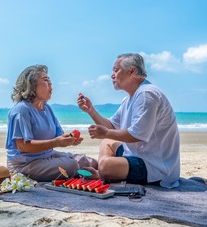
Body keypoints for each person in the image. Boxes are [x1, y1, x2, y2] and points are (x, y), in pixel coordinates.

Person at [77, 53, 180, 188]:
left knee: (106, 165)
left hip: (156, 167)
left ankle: (103, 172)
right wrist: (91, 111)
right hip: (136, 156)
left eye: (116, 70)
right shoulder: (130, 98)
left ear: (132, 71)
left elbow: (136, 135)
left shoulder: (146, 94)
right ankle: (104, 171)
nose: (112, 75)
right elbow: (112, 126)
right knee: (107, 143)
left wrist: (106, 133)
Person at [5, 64, 98, 182]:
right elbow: (23, 146)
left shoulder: (46, 107)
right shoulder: (21, 110)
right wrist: (56, 142)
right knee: (72, 165)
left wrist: (70, 139)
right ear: (31, 86)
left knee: (85, 160)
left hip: (47, 156)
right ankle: (88, 174)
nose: (51, 85)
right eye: (46, 81)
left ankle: (100, 172)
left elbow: (59, 137)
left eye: (50, 82)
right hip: (25, 164)